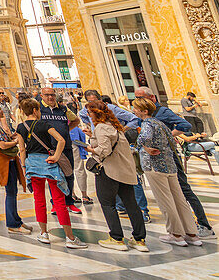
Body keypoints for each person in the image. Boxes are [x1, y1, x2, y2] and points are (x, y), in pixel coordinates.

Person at [135, 86, 213, 237]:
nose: (137, 101)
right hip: (156, 160)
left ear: (152, 98)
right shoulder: (144, 115)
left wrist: (167, 136)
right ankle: (186, 228)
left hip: (169, 157)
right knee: (172, 195)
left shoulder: (162, 112)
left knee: (184, 191)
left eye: (141, 98)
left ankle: (204, 225)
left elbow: (185, 125)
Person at [16, 97, 86, 248]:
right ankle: (70, 237)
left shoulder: (21, 127)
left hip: (32, 165)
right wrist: (55, 156)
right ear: (35, 110)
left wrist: (23, 166)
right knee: (59, 200)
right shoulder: (44, 124)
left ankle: (44, 233)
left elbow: (22, 149)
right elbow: (61, 140)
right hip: (48, 163)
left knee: (39, 200)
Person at [85, 100, 147, 252]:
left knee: (108, 204)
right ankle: (140, 239)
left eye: (89, 112)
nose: (88, 115)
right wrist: (92, 136)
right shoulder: (115, 127)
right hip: (124, 171)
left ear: (95, 113)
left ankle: (117, 238)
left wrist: (90, 149)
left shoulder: (101, 128)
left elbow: (104, 150)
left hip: (108, 171)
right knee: (131, 204)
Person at [0, 100, 28, 235]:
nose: (1, 110)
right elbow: (2, 145)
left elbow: (4, 139)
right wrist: (15, 142)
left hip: (10, 160)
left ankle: (16, 220)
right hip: (3, 161)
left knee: (13, 191)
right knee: (10, 192)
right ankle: (12, 224)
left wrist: (12, 136)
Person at [39, 87, 81, 214]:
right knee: (53, 176)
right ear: (42, 96)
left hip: (65, 146)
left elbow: (75, 120)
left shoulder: (63, 108)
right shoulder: (40, 110)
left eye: (52, 95)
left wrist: (65, 131)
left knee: (69, 174)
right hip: (50, 148)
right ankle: (56, 203)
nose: (50, 97)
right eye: (47, 95)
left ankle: (69, 202)